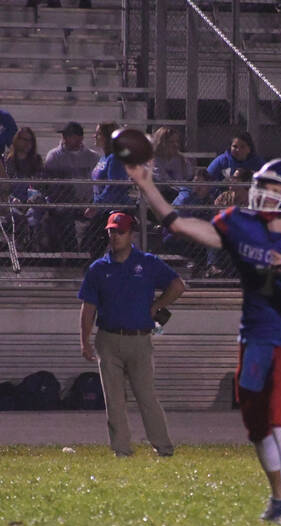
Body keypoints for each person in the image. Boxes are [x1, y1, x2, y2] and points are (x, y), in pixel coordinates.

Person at [126, 158, 281, 525]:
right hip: (253, 338)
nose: (262, 194)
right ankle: (277, 496)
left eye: (272, 188)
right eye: (262, 186)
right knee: (256, 427)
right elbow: (183, 225)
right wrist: (148, 187)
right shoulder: (241, 225)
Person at [79, 211, 185, 458]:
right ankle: (122, 450)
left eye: (120, 232)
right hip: (109, 339)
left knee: (146, 397)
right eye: (111, 232)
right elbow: (88, 308)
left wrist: (158, 305)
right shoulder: (98, 268)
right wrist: (84, 340)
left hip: (139, 339)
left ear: (131, 234)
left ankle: (163, 447)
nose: (115, 236)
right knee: (114, 401)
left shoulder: (147, 263)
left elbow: (178, 285)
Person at [44, 121, 99, 252]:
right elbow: (51, 187)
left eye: (70, 135)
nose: (66, 138)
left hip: (88, 202)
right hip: (63, 202)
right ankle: (72, 255)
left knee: (99, 217)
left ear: (80, 137)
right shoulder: (54, 156)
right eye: (66, 135)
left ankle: (88, 253)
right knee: (62, 214)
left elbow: (97, 184)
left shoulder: (92, 157)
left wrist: (91, 202)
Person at [82, 122, 134, 257]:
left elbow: (114, 185)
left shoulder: (116, 158)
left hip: (113, 208)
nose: (95, 136)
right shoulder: (103, 157)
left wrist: (96, 205)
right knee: (89, 241)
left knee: (94, 240)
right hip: (102, 206)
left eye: (98, 134)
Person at [151, 127, 194, 200]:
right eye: (171, 142)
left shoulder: (181, 160)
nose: (176, 145)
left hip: (179, 194)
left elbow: (189, 177)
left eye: (177, 141)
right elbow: (163, 181)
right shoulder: (153, 160)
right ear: (161, 143)